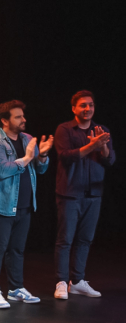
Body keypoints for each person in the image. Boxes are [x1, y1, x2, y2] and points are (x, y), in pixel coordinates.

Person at [0, 100, 52, 308]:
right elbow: (1, 170)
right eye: (18, 117)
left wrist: (43, 156)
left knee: (17, 250)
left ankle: (15, 288)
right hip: (1, 204)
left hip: (24, 204)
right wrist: (29, 157)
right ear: (5, 120)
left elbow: (40, 170)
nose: (24, 120)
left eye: (23, 116)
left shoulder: (27, 139)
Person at [53, 90, 116, 299]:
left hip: (94, 194)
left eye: (90, 105)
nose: (87, 109)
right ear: (74, 109)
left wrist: (103, 146)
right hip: (70, 193)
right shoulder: (65, 130)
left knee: (85, 239)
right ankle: (61, 282)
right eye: (82, 105)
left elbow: (109, 160)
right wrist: (92, 145)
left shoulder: (102, 130)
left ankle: (78, 281)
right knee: (66, 239)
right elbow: (66, 157)